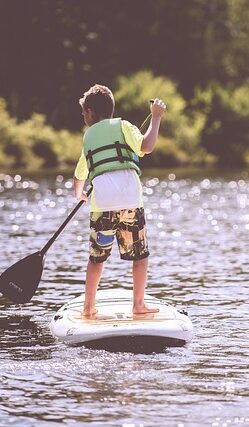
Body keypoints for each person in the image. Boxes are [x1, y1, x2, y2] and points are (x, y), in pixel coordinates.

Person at [73, 84, 166, 318]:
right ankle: (138, 305)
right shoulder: (124, 126)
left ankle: (88, 307)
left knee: (97, 258)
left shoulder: (88, 137)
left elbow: (80, 174)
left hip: (102, 204)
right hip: (130, 202)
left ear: (92, 112)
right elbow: (147, 146)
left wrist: (79, 193)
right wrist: (155, 118)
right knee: (140, 256)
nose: (83, 116)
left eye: (84, 112)